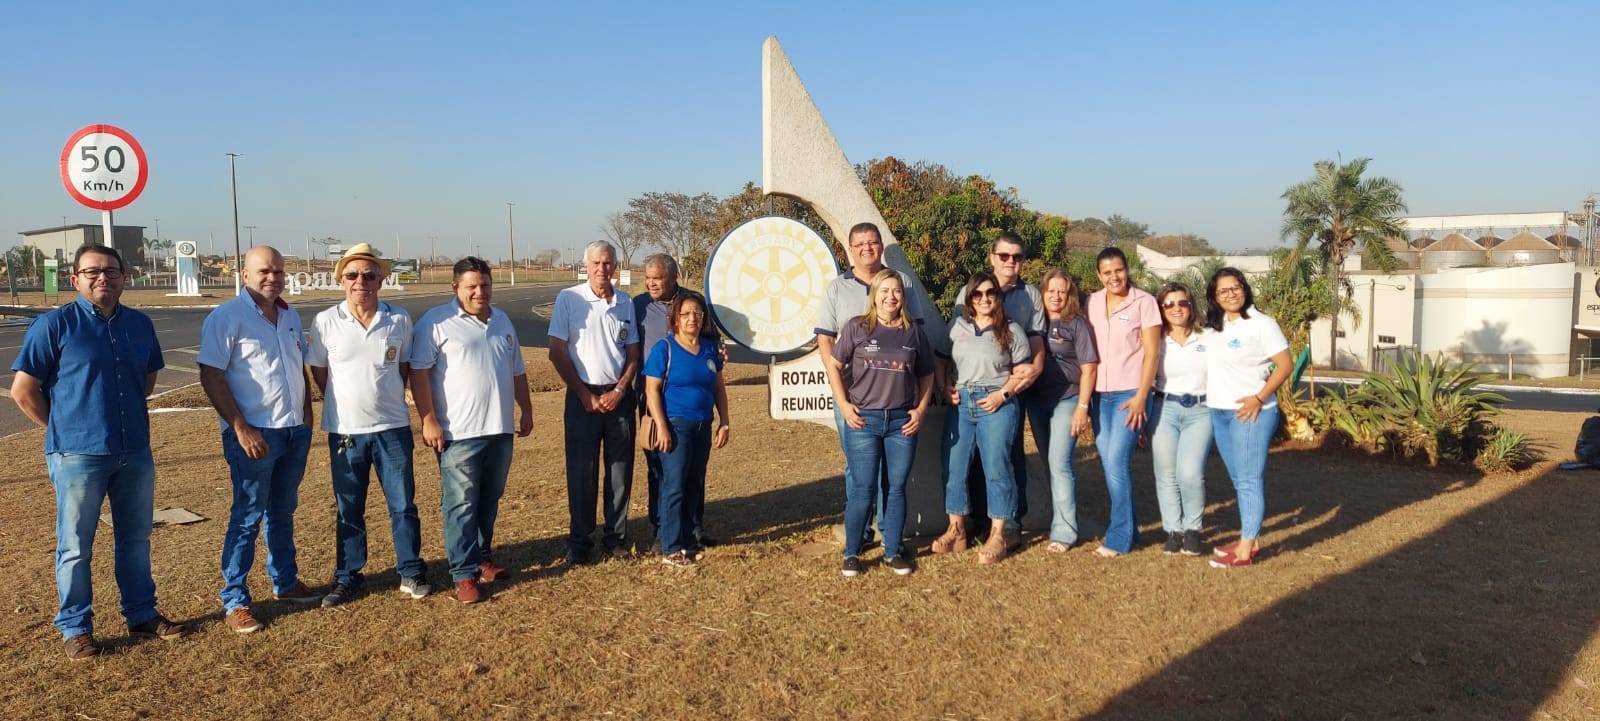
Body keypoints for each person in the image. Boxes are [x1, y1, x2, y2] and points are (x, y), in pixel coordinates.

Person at [10, 244, 189, 659]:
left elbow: (145, 381)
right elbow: (23, 391)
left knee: (135, 538)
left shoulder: (140, 325)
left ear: (125, 278)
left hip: (133, 452)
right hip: (77, 456)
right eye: (91, 272)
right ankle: (76, 627)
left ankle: (141, 613)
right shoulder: (54, 326)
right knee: (75, 545)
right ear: (75, 280)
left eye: (111, 271)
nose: (101, 278)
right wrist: (65, 427)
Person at [198, 246, 320, 633]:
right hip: (253, 434)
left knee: (282, 512)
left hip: (292, 431)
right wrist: (240, 427)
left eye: (279, 271)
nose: (273, 277)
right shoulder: (226, 317)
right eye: (264, 271)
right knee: (247, 517)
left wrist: (306, 416)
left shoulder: (289, 314)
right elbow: (211, 376)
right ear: (244, 274)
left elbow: (295, 366)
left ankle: (285, 582)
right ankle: (235, 600)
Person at [306, 243, 428, 607]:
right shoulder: (326, 321)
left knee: (403, 503)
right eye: (353, 275)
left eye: (370, 275)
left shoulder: (400, 319)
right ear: (341, 279)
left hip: (391, 428)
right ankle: (348, 576)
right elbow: (319, 370)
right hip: (345, 431)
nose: (361, 282)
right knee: (348, 507)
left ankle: (410, 569)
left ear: (381, 279)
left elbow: (404, 367)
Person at [411, 257, 534, 603]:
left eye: (485, 285)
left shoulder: (502, 320)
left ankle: (482, 557)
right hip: (457, 433)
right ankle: (463, 574)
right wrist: (428, 419)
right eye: (471, 287)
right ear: (456, 287)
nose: (480, 292)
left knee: (489, 498)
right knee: (460, 503)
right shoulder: (436, 322)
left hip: (499, 428)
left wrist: (525, 408)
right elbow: (419, 373)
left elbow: (517, 370)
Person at [815, 222, 928, 551]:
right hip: (853, 398)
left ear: (881, 246)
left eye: (873, 242)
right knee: (858, 468)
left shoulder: (901, 281)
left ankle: (886, 533)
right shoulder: (838, 288)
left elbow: (916, 337)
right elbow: (826, 339)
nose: (867, 247)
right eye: (860, 243)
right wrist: (842, 395)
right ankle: (859, 535)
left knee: (892, 479)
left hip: (896, 401)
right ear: (850, 249)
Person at [827, 270, 935, 577]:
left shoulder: (913, 332)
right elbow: (834, 365)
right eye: (884, 290)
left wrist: (921, 409)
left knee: (897, 489)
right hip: (864, 420)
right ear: (874, 295)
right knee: (862, 489)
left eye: (896, 291)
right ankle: (852, 553)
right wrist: (844, 404)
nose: (891, 296)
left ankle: (892, 552)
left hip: (901, 421)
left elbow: (926, 373)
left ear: (903, 296)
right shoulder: (857, 327)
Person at [932, 273, 1035, 564]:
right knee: (954, 467)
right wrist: (944, 387)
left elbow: (1023, 372)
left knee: (997, 468)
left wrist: (1002, 395)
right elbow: (940, 359)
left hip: (996, 404)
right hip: (962, 402)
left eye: (990, 293)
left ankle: (999, 533)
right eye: (977, 294)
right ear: (969, 299)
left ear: (998, 297)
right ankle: (956, 529)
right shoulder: (957, 326)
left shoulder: (1011, 329)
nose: (985, 299)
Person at [550, 240, 640, 564]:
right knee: (581, 471)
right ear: (586, 266)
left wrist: (620, 389)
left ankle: (615, 537)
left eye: (608, 263)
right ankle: (580, 540)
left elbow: (632, 353)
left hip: (619, 399)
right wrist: (584, 394)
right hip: (582, 398)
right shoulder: (569, 299)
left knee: (619, 471)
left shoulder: (625, 303)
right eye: (596, 264)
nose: (602, 269)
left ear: (615, 267)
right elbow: (556, 351)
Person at [952, 232, 1045, 534]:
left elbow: (1035, 343)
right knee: (972, 462)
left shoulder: (1030, 295)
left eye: (1017, 256)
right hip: (969, 394)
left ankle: (1009, 526)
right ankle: (979, 521)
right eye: (1004, 255)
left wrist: (1033, 370)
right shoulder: (972, 289)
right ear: (992, 257)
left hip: (1008, 390)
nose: (1010, 262)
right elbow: (958, 334)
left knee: (1006, 458)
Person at [1204, 268, 1292, 569]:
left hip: (1252, 411)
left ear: (1244, 289)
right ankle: (1249, 538)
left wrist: (1259, 397)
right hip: (1220, 411)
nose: (1231, 294)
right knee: (1239, 479)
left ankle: (1245, 549)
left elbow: (1284, 365)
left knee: (1249, 479)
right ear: (1215, 297)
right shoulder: (1215, 327)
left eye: (1236, 287)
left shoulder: (1262, 324)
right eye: (1223, 291)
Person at [633, 253, 719, 553]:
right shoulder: (638, 304)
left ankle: (694, 528)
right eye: (648, 278)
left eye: (657, 278)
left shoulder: (691, 303)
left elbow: (711, 345)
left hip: (693, 402)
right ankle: (662, 532)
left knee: (692, 473)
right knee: (660, 469)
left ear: (673, 278)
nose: (651, 283)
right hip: (652, 395)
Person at [643, 294, 731, 567]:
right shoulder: (664, 348)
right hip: (675, 425)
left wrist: (724, 421)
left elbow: (718, 388)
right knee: (674, 486)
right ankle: (670, 547)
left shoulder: (709, 349)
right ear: (675, 320)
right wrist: (662, 426)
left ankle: (689, 538)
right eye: (685, 314)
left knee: (695, 483)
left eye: (697, 314)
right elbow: (652, 390)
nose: (692, 319)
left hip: (703, 424)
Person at [1084, 246, 1161, 558]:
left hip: (1131, 395)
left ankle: (1118, 538)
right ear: (1099, 275)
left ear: (1127, 269)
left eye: (1118, 270)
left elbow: (1153, 353)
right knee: (1109, 464)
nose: (1114, 277)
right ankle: (1131, 530)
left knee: (1116, 463)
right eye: (1107, 272)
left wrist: (1142, 396)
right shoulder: (1091, 302)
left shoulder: (1144, 302)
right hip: (1099, 398)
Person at [1020, 269, 1098, 553]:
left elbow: (1089, 368)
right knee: (1048, 461)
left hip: (1068, 399)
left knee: (1059, 462)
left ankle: (1064, 532)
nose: (1055, 296)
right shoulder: (1033, 324)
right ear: (1042, 293)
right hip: (1037, 401)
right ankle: (1059, 517)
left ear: (1069, 295)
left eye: (1061, 291)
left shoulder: (1076, 324)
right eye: (1050, 291)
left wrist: (1082, 407)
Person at [1147, 282, 1211, 557]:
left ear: (1191, 305)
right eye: (1169, 304)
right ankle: (1173, 530)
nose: (1176, 308)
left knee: (1190, 472)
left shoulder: (1208, 337)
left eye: (1182, 302)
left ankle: (1193, 528)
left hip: (1201, 409)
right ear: (1161, 309)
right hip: (1165, 407)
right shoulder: (1157, 340)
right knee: (1166, 472)